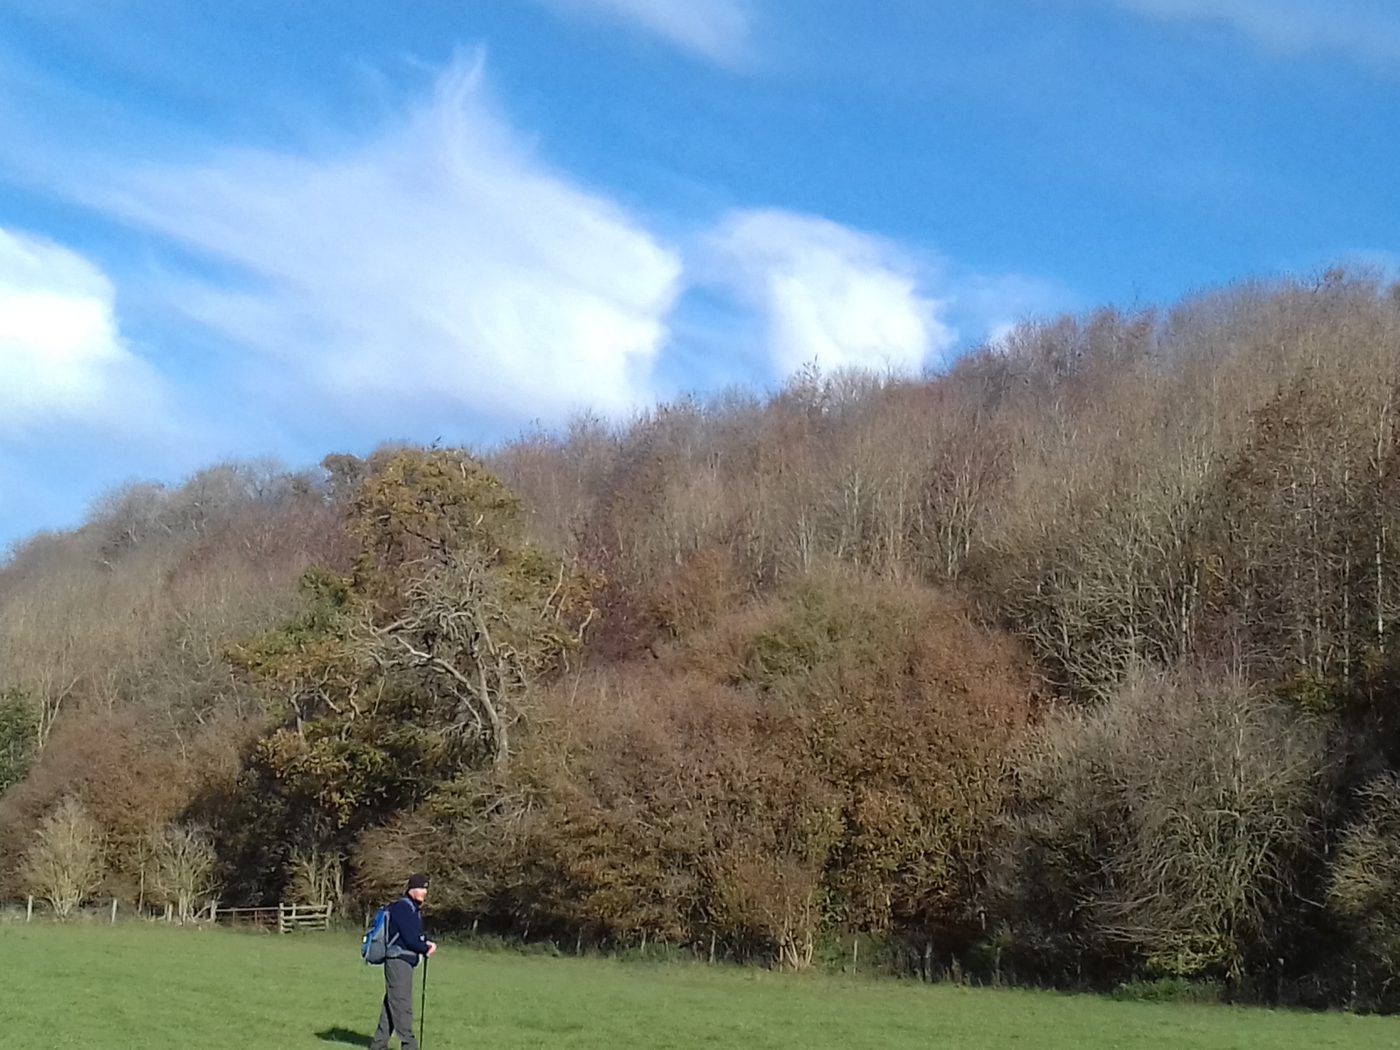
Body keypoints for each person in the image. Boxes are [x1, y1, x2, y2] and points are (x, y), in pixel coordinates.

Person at [370, 873, 438, 1050]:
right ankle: (410, 1046)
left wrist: (425, 943)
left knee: (391, 1004)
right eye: (422, 888)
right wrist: (425, 948)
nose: (424, 892)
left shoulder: (411, 909)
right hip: (398, 961)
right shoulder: (403, 908)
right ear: (411, 890)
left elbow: (414, 936)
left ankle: (378, 1045)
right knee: (401, 1004)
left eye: (425, 889)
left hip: (404, 962)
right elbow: (410, 939)